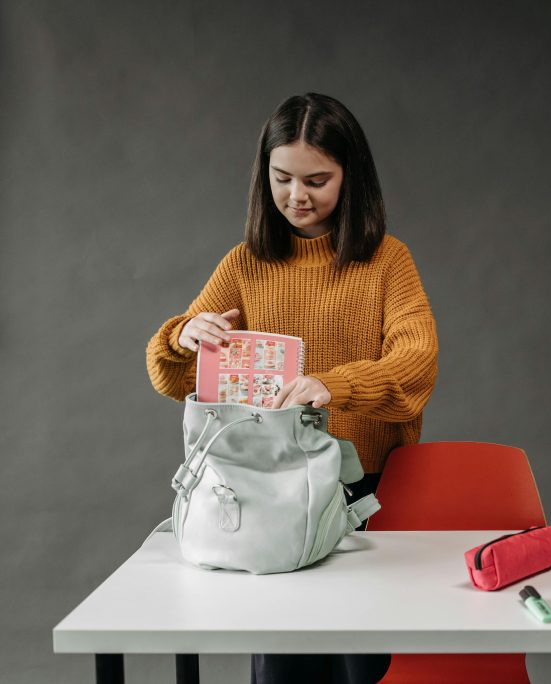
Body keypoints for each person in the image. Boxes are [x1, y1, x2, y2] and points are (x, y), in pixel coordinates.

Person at [145, 92, 439, 684]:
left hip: (366, 493)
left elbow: (416, 361)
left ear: (351, 178)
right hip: (268, 489)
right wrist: (184, 335)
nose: (296, 196)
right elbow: (171, 376)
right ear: (264, 174)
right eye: (281, 178)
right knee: (284, 663)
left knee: (366, 665)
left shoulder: (386, 261)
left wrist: (333, 385)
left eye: (317, 180)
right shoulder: (246, 264)